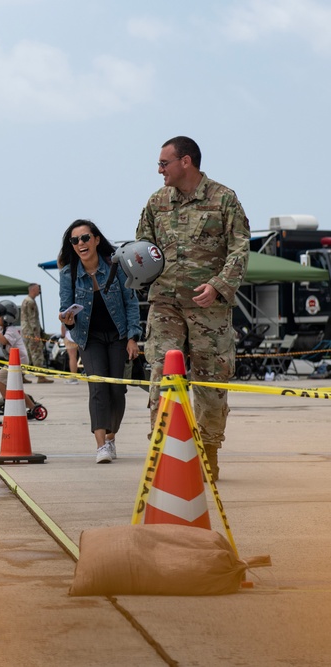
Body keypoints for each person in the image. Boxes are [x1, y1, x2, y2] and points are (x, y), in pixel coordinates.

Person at [136, 136, 250, 481]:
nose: (159, 170)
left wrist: (218, 285)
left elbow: (240, 249)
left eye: (164, 163)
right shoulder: (157, 202)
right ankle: (164, 451)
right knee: (162, 376)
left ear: (186, 162)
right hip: (165, 304)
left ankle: (208, 452)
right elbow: (143, 246)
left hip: (208, 309)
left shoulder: (223, 199)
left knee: (210, 381)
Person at [58, 220, 142, 464]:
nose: (81, 244)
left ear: (96, 240)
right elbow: (65, 308)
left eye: (85, 238)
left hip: (118, 335)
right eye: (75, 241)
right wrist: (67, 319)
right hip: (89, 338)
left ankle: (112, 436)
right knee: (97, 388)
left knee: (117, 389)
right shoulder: (69, 273)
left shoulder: (115, 265)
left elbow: (131, 303)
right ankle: (101, 445)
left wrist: (132, 337)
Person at [0, 300, 40, 415]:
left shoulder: (11, 331)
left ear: (7, 317)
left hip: (20, 362)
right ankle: (28, 405)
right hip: (13, 362)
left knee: (0, 378)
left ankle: (12, 402)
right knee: (11, 385)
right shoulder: (0, 329)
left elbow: (4, 340)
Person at [19, 283, 54, 383]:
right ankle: (40, 377)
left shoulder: (26, 301)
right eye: (38, 289)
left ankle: (21, 376)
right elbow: (32, 319)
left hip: (26, 332)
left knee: (27, 355)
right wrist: (36, 335)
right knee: (37, 354)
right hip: (32, 333)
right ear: (33, 290)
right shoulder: (30, 302)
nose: (39, 291)